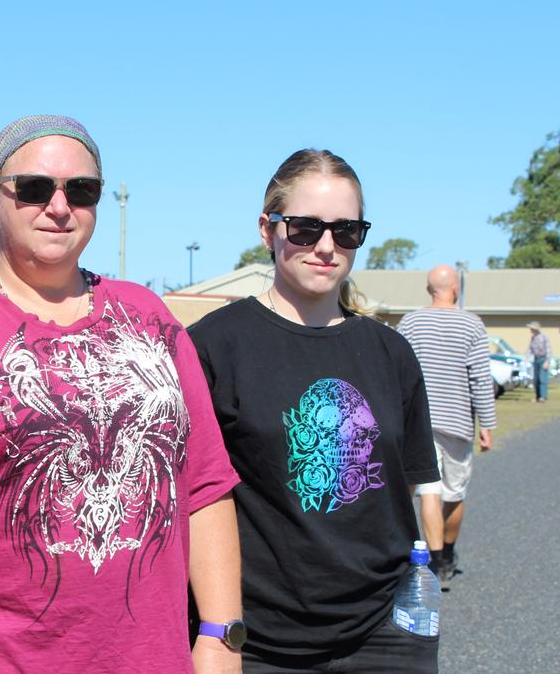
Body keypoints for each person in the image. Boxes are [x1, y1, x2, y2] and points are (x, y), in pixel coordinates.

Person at [0, 116, 243, 673]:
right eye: (33, 189)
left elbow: (206, 484)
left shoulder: (149, 316)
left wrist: (220, 637)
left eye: (81, 190)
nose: (58, 206)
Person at [187, 149, 441, 673]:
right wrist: (216, 633)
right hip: (257, 640)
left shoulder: (391, 352)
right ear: (268, 228)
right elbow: (188, 502)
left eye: (346, 231)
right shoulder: (211, 347)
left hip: (385, 634)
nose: (327, 246)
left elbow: (415, 485)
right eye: (305, 228)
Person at [398, 264, 496, 583]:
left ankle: (435, 559)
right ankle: (446, 554)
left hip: (420, 421)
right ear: (455, 287)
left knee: (429, 492)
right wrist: (487, 424)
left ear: (429, 290)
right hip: (457, 421)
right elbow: (480, 378)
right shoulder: (472, 324)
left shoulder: (410, 322)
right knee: (453, 493)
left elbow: (398, 374)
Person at [527, 321, 551, 402]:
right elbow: (530, 348)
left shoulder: (544, 337)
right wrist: (526, 357)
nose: (531, 330)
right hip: (536, 359)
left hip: (543, 359)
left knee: (542, 378)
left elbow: (548, 350)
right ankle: (537, 396)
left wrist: (547, 361)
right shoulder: (533, 338)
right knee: (536, 379)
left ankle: (543, 396)